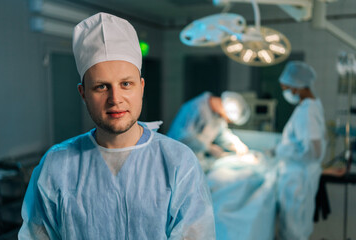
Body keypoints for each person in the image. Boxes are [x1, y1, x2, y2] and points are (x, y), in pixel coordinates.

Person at [18, 12, 215, 239]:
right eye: (101, 87)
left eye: (126, 84)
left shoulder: (178, 162)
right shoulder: (56, 166)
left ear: (141, 87)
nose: (115, 98)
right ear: (83, 93)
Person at [275, 61, 326, 240]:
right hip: (300, 176)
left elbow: (314, 151)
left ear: (297, 87)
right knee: (297, 228)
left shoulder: (308, 111)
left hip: (297, 179)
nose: (286, 92)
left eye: (286, 88)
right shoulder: (312, 105)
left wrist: (282, 151)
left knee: (293, 231)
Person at [167, 91, 251, 172]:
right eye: (229, 119)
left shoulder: (217, 114)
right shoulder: (196, 107)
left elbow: (221, 134)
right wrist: (208, 147)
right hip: (177, 159)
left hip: (195, 160)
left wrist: (236, 143)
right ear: (227, 109)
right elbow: (183, 138)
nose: (227, 120)